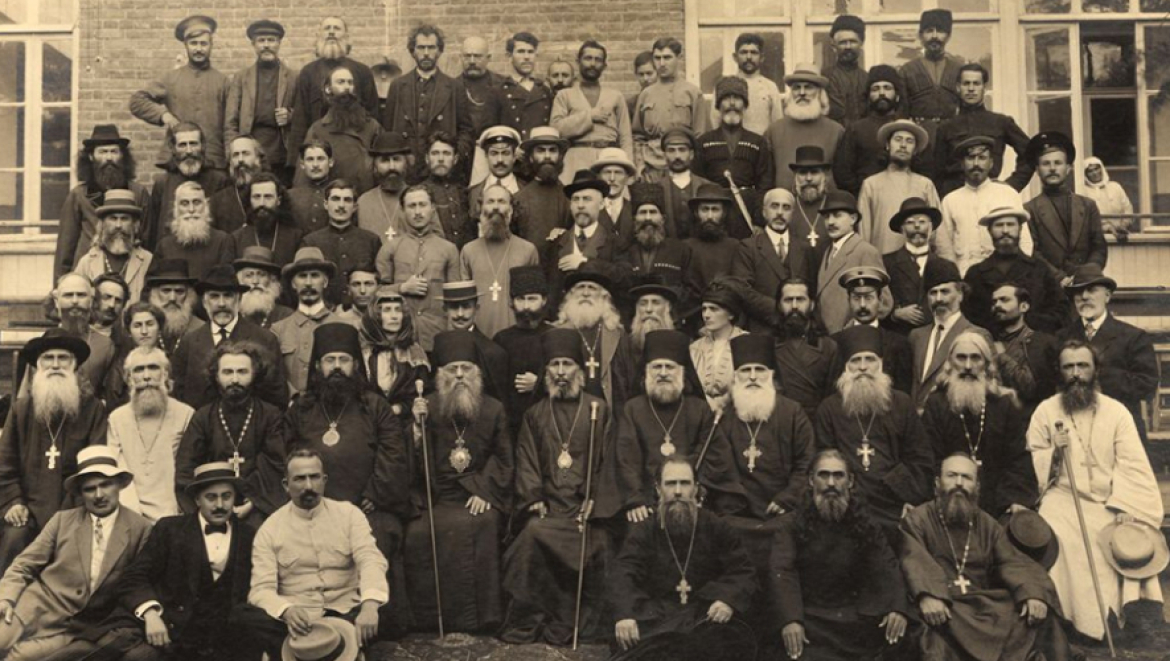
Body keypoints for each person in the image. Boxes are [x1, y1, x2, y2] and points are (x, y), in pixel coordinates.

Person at [1027, 340, 1165, 642]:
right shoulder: (1045, 411)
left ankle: (1123, 620)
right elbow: (1031, 460)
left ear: (1095, 370)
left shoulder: (1116, 412)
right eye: (1069, 367)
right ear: (1060, 372)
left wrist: (1126, 505)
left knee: (1125, 537)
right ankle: (1074, 623)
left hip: (1110, 500)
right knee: (1061, 536)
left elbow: (1132, 463)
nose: (1076, 374)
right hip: (1062, 497)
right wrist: (1053, 453)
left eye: (1083, 366)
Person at [501, 328, 621, 645]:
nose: (561, 372)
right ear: (546, 372)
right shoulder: (535, 414)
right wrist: (535, 498)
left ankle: (580, 619)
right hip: (550, 510)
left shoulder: (599, 410)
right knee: (530, 537)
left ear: (579, 370)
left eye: (567, 364)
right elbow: (526, 460)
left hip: (586, 511)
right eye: (554, 364)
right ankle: (534, 617)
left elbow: (608, 463)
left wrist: (595, 500)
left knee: (602, 543)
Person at [70, 461, 257, 661]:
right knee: (114, 652)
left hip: (217, 641)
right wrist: (150, 613)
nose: (219, 505)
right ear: (197, 499)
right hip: (167, 629)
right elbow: (134, 577)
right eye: (211, 497)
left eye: (226, 497)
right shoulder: (170, 529)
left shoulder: (249, 536)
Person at [901, 453, 1073, 661]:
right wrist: (927, 594)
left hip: (980, 605)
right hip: (944, 605)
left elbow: (1013, 561)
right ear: (937, 483)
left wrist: (1033, 593)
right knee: (929, 634)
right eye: (951, 475)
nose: (959, 483)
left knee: (1037, 617)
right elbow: (913, 558)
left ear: (977, 487)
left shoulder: (987, 524)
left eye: (966, 477)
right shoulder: (917, 520)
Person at [404, 331, 513, 633]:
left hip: (476, 492)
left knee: (485, 523)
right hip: (437, 495)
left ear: (478, 372)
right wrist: (416, 429)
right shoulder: (427, 406)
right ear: (441, 374)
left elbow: (504, 458)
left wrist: (485, 491)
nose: (461, 375)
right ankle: (429, 619)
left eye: (467, 368)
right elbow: (413, 462)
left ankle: (482, 619)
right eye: (453, 369)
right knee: (416, 533)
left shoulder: (493, 408)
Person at [239, 449, 393, 660]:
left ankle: (331, 646)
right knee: (243, 616)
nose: (309, 486)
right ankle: (325, 649)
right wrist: (286, 610)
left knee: (384, 607)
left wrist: (369, 607)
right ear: (286, 485)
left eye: (314, 477)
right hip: (297, 620)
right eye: (300, 479)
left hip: (347, 610)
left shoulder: (349, 515)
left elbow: (370, 559)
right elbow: (260, 589)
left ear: (324, 480)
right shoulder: (270, 529)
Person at [0, 446, 151, 661]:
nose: (99, 495)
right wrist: (5, 598)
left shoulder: (141, 528)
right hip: (32, 609)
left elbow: (138, 582)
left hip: (75, 628)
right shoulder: (63, 520)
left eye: (105, 485)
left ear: (119, 485)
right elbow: (23, 565)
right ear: (81, 493)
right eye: (90, 489)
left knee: (19, 658)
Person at [609, 457, 758, 661]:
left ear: (695, 489)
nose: (678, 491)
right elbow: (623, 573)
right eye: (671, 484)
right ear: (658, 489)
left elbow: (742, 570)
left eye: (685, 483)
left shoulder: (716, 526)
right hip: (659, 617)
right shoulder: (645, 530)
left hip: (702, 617)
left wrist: (727, 600)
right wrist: (625, 614)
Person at [769, 450, 912, 661]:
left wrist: (896, 607)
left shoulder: (865, 522)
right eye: (823, 475)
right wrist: (791, 620)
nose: (831, 483)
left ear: (850, 481)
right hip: (810, 619)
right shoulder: (790, 525)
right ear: (811, 481)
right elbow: (783, 571)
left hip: (854, 619)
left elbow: (886, 565)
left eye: (838, 475)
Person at [707, 334, 814, 591]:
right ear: (736, 377)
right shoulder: (724, 416)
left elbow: (807, 461)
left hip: (783, 511)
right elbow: (718, 467)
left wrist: (788, 497)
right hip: (738, 512)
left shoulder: (791, 412)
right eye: (746, 371)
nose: (753, 377)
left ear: (771, 375)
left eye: (759, 370)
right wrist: (734, 504)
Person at [815, 325, 934, 546]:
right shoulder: (829, 409)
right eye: (855, 361)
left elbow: (921, 459)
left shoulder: (901, 403)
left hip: (895, 505)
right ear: (845, 367)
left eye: (869, 359)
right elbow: (824, 460)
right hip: (849, 506)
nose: (863, 367)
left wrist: (909, 498)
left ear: (880, 364)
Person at [0, 329, 108, 570]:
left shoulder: (92, 410)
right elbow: (5, 465)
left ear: (74, 366)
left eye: (63, 358)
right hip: (25, 509)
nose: (56, 365)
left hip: (75, 506)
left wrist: (72, 510)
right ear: (38, 366)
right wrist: (14, 502)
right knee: (14, 539)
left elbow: (95, 468)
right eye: (49, 358)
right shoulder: (21, 410)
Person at [921, 332, 1037, 517]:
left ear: (987, 364)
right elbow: (928, 458)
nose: (968, 366)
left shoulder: (1003, 404)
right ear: (950, 363)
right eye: (961, 358)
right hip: (949, 495)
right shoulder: (936, 404)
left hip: (997, 499)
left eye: (975, 358)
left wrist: (1013, 499)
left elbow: (1018, 459)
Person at [175, 340, 289, 525]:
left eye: (242, 372)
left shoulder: (270, 416)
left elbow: (275, 465)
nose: (235, 380)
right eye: (227, 372)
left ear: (255, 374)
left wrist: (254, 503)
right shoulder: (203, 417)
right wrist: (208, 508)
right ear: (216, 376)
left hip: (258, 509)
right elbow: (186, 469)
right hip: (210, 510)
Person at [614, 330, 722, 523]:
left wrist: (697, 492)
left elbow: (710, 456)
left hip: (690, 497)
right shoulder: (633, 409)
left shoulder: (700, 409)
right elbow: (627, 458)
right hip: (646, 502)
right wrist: (635, 499)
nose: (663, 373)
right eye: (657, 367)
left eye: (669, 367)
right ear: (646, 371)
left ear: (682, 371)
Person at [1056, 264, 1159, 443]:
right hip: (1075, 427)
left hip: (1119, 427)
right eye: (1078, 292)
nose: (1084, 296)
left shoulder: (1133, 336)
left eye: (1092, 290)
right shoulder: (1061, 338)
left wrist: (1099, 379)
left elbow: (1147, 383)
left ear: (1107, 296)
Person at [171, 264, 288, 411]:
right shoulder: (189, 342)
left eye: (228, 296)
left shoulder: (264, 340)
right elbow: (179, 397)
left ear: (239, 300)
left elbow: (277, 396)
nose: (221, 304)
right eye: (214, 296)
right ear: (205, 303)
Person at [106, 347, 195, 523]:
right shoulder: (117, 418)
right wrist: (134, 518)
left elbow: (188, 470)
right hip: (130, 514)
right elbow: (117, 471)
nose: (146, 376)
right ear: (129, 378)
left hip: (175, 514)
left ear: (165, 374)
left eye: (153, 368)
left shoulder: (186, 414)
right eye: (139, 370)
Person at [130, 15, 230, 171]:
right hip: (177, 160)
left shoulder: (223, 82)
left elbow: (231, 124)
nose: (198, 49)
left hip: (213, 161)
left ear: (211, 45)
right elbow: (137, 101)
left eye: (203, 43)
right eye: (193, 43)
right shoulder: (171, 79)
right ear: (186, 45)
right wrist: (164, 116)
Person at [55, 125, 151, 281]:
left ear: (122, 156)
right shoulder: (79, 195)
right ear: (91, 156)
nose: (109, 158)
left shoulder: (138, 193)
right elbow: (65, 248)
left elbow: (147, 238)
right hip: (89, 274)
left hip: (131, 272)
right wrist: (60, 286)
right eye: (103, 152)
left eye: (114, 151)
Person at [375, 184, 461, 352]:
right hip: (400, 336)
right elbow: (376, 292)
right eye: (411, 206)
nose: (417, 212)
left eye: (422, 205)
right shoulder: (390, 248)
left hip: (438, 336)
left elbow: (455, 299)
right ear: (402, 210)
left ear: (432, 208)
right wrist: (402, 288)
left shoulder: (448, 249)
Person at [286, 16, 377, 164]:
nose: (331, 32)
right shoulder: (308, 72)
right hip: (319, 153)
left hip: (355, 151)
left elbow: (373, 113)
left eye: (337, 28)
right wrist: (295, 161)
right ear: (319, 35)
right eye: (327, 28)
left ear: (346, 36)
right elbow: (300, 119)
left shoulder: (362, 71)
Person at [937, 135, 1033, 276]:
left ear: (991, 163)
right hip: (965, 275)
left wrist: (1018, 274)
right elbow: (944, 247)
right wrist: (955, 277)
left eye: (982, 158)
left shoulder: (1007, 193)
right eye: (970, 158)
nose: (976, 164)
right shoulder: (950, 200)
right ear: (962, 164)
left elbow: (1024, 241)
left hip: (1004, 276)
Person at [932, 63, 1034, 196]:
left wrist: (1011, 186)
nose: (971, 89)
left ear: (984, 88)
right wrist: (945, 195)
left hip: (991, 194)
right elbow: (937, 171)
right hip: (955, 194)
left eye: (976, 84)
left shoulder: (1000, 122)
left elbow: (1031, 153)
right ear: (958, 87)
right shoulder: (946, 127)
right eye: (966, 83)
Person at [962, 206, 1066, 334]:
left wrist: (1032, 329)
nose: (1005, 230)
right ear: (989, 231)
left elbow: (1060, 310)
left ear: (1020, 229)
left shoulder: (1039, 269)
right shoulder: (975, 274)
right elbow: (967, 315)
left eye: (1010, 224)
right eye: (999, 225)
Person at [1023, 132, 1109, 284]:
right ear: (1037, 170)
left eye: (1058, 163)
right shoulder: (1030, 210)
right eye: (1046, 164)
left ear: (1068, 168)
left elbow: (1099, 247)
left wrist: (1085, 275)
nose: (1052, 168)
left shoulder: (1088, 206)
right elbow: (1032, 252)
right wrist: (1059, 278)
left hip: (1085, 284)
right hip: (1049, 285)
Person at [382, 24, 473, 163]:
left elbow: (466, 130)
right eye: (421, 47)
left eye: (431, 47)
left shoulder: (454, 87)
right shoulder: (398, 86)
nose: (426, 53)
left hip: (440, 164)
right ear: (412, 51)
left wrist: (453, 157)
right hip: (406, 164)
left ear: (439, 51)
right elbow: (387, 129)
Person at [909, 258, 992, 411]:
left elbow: (989, 384)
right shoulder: (916, 336)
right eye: (933, 293)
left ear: (960, 294)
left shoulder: (976, 334)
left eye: (945, 292)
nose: (938, 299)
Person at [551, 271, 637, 419]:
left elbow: (628, 380)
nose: (585, 293)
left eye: (591, 288)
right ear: (571, 295)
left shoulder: (617, 334)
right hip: (569, 414)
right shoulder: (557, 332)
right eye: (580, 287)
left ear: (604, 296)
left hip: (609, 414)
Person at [694, 76, 773, 232]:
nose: (732, 103)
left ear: (745, 105)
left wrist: (758, 220)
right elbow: (697, 182)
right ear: (718, 105)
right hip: (713, 214)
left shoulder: (757, 142)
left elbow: (765, 184)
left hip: (747, 211)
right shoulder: (704, 142)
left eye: (737, 98)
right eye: (726, 98)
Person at [460, 184, 540, 338]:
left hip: (516, 337)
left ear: (511, 210)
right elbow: (463, 303)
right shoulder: (468, 251)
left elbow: (533, 302)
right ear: (481, 209)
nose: (496, 207)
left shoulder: (528, 250)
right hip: (478, 337)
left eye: (501, 201)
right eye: (490, 201)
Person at [551, 40, 635, 183]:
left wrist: (628, 168)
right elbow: (556, 130)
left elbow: (625, 136)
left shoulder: (615, 96)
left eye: (598, 60)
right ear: (578, 62)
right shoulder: (565, 95)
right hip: (576, 159)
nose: (592, 64)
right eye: (588, 58)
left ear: (604, 65)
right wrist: (589, 117)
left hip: (609, 158)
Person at [225, 19, 296, 181]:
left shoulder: (293, 77)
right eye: (261, 41)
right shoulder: (241, 78)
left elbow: (303, 115)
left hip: (281, 151)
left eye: (271, 40)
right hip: (250, 150)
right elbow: (230, 121)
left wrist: (290, 115)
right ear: (254, 45)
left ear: (279, 43)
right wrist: (232, 153)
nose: (266, 45)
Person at [141, 123, 231, 250]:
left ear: (203, 146)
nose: (189, 151)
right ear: (173, 149)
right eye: (182, 145)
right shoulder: (162, 183)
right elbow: (154, 230)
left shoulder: (219, 181)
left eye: (193, 144)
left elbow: (226, 227)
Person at [857, 119, 940, 254]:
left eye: (909, 141)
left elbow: (936, 231)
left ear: (915, 150)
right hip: (881, 257)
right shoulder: (871, 185)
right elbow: (864, 230)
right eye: (898, 139)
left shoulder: (925, 185)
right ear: (888, 145)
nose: (903, 145)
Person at [633, 37, 709, 183]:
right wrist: (640, 165)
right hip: (652, 168)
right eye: (657, 58)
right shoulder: (646, 94)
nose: (661, 63)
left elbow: (700, 136)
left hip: (683, 166)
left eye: (667, 57)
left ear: (679, 58)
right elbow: (637, 136)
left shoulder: (693, 93)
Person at [899, 8, 964, 178]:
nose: (935, 36)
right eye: (929, 31)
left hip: (952, 140)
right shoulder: (907, 70)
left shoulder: (959, 69)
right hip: (921, 141)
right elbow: (902, 113)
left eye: (940, 31)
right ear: (921, 36)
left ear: (948, 36)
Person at [272, 247, 346, 395]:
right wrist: (293, 398)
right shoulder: (278, 330)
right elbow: (274, 373)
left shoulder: (344, 327)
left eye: (315, 276)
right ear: (293, 284)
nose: (308, 283)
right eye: (302, 276)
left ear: (325, 282)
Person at [297, 67, 382, 194]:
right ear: (328, 89)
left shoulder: (371, 127)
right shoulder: (318, 129)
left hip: (365, 195)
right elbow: (303, 173)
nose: (347, 87)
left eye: (350, 82)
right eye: (341, 82)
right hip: (333, 198)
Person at [545, 170, 627, 302]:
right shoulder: (556, 242)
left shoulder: (615, 242)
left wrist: (585, 264)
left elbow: (625, 279)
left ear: (601, 204)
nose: (580, 205)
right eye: (575, 199)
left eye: (587, 199)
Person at [493, 266, 556, 435]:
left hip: (548, 423)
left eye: (532, 299)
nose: (526, 306)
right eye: (520, 299)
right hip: (510, 424)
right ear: (512, 302)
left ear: (544, 300)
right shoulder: (501, 339)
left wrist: (539, 384)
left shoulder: (555, 336)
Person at [831, 267, 914, 395]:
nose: (862, 305)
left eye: (868, 298)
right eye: (856, 298)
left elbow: (903, 394)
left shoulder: (898, 344)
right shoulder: (834, 343)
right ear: (848, 301)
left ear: (880, 301)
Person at [301, 179, 383, 307]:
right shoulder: (311, 242)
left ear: (355, 207)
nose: (341, 205)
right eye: (335, 199)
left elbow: (379, 283)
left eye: (347, 200)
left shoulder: (371, 240)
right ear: (326, 204)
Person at [833, 64, 912, 196]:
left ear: (897, 94)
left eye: (887, 88)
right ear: (869, 95)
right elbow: (842, 173)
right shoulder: (856, 129)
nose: (882, 93)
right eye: (875, 88)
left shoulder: (908, 128)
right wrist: (864, 191)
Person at [620, 184, 700, 313]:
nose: (648, 218)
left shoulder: (681, 250)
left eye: (653, 212)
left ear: (663, 219)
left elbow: (693, 292)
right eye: (642, 212)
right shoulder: (625, 253)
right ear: (634, 220)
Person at [767, 64, 845, 192]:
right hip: (783, 202)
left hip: (825, 202)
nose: (802, 93)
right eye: (797, 88)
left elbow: (843, 176)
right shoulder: (774, 130)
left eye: (808, 87)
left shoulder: (836, 131)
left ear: (819, 93)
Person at [815, 190, 883, 334]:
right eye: (827, 217)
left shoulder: (865, 251)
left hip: (853, 336)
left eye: (837, 215)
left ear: (853, 219)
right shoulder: (828, 251)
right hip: (828, 338)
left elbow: (884, 302)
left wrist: (856, 326)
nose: (830, 222)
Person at [358, 286, 431, 420]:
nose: (394, 316)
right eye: (387, 310)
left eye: (398, 310)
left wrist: (399, 408)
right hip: (369, 420)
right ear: (375, 315)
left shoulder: (415, 352)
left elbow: (423, 394)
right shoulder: (364, 352)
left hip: (405, 421)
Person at [882, 197, 951, 336]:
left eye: (922, 222)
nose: (917, 226)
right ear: (902, 229)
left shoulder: (945, 266)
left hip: (934, 336)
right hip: (898, 335)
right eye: (910, 222)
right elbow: (876, 301)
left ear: (931, 228)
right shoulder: (886, 263)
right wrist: (895, 313)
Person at [71, 189, 154, 304]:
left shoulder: (148, 261)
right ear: (102, 224)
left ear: (135, 225)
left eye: (124, 219)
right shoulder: (87, 262)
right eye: (113, 218)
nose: (118, 225)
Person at [773, 279, 839, 422]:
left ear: (812, 304)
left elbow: (832, 397)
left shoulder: (828, 347)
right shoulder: (769, 346)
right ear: (779, 305)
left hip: (817, 423)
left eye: (800, 299)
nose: (794, 306)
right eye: (788, 300)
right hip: (781, 422)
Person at [991, 283, 1061, 412]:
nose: (997, 305)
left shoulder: (1043, 343)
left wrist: (1002, 357)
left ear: (1024, 306)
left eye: (1004, 300)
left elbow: (1034, 391)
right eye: (994, 302)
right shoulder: (988, 342)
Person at [441, 281, 511, 405]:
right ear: (445, 310)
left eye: (466, 307)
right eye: (454, 307)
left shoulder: (493, 352)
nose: (460, 314)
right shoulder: (439, 346)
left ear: (476, 308)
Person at [153, 181, 237, 281]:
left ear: (206, 206)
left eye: (196, 202)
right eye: (184, 203)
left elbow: (226, 282)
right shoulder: (164, 246)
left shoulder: (222, 241)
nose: (191, 209)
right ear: (176, 208)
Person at [690, 287, 747, 415]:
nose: (706, 315)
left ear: (731, 314)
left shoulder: (747, 343)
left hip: (737, 412)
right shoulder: (694, 348)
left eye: (714, 309)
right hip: (701, 413)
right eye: (704, 309)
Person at [514, 127, 573, 246]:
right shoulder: (518, 199)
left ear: (560, 157)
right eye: (540, 150)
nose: (547, 156)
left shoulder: (570, 199)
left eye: (552, 150)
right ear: (531, 157)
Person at [716, 33, 784, 135]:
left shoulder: (770, 87)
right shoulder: (724, 85)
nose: (748, 57)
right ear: (735, 57)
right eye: (743, 52)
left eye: (754, 52)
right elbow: (716, 121)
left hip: (762, 143)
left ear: (762, 57)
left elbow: (777, 126)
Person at [232, 173, 304, 269]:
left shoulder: (295, 238)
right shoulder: (237, 239)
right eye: (257, 197)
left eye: (268, 197)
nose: (262, 203)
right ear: (249, 200)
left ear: (278, 200)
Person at [685, 184, 746, 291]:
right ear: (696, 213)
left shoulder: (736, 247)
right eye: (705, 209)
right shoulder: (686, 247)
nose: (710, 216)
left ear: (724, 213)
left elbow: (740, 284)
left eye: (715, 210)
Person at [420, 132, 475, 249]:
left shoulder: (465, 192)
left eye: (446, 153)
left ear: (455, 159)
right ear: (427, 158)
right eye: (435, 153)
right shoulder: (420, 193)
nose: (440, 159)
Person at [497, 32, 555, 142]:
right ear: (509, 56)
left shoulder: (545, 91)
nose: (527, 57)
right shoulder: (498, 91)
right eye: (521, 52)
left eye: (530, 52)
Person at [657, 127, 714, 240]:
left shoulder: (707, 186)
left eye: (682, 150)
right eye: (671, 150)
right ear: (664, 155)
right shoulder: (657, 187)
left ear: (691, 154)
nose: (677, 156)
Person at [357, 133, 412, 243]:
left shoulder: (419, 199)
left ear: (406, 163)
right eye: (385, 160)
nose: (392, 167)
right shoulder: (363, 203)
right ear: (374, 165)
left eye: (396, 159)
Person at [144, 258, 204, 355]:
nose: (172, 298)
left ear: (189, 295)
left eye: (179, 291)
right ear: (154, 294)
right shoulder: (143, 327)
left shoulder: (201, 329)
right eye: (166, 291)